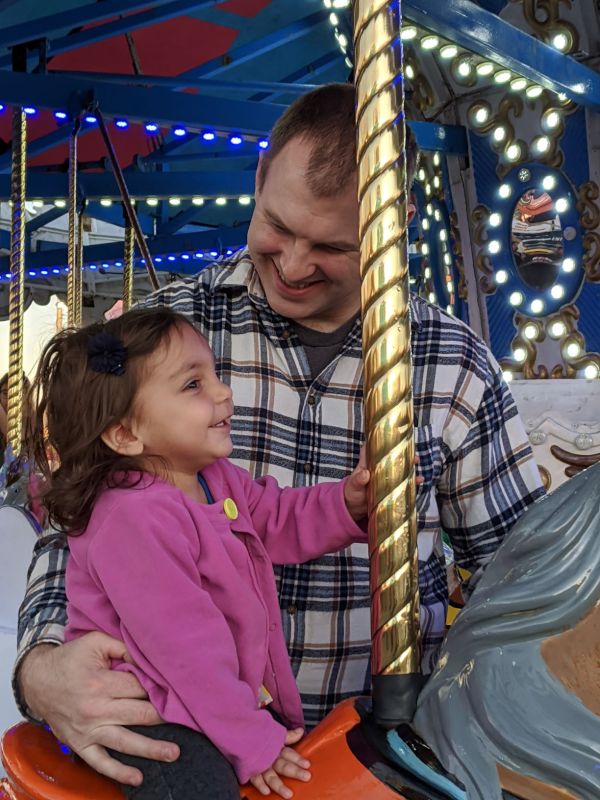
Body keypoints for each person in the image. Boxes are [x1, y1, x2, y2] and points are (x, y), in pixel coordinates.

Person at [14, 83, 545, 788]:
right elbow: (75, 530)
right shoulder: (161, 345)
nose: (293, 266)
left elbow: (520, 574)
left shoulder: (453, 365)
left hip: (381, 749)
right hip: (195, 728)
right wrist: (43, 667)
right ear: (260, 177)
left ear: (396, 224)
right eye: (278, 227)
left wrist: (353, 509)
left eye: (331, 246)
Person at [27, 307, 369, 799]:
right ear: (126, 434)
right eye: (193, 385)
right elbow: (188, 651)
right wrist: (252, 738)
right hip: (152, 715)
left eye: (214, 374)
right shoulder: (132, 518)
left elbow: (277, 516)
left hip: (203, 703)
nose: (223, 392)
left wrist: (347, 504)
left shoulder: (213, 479)